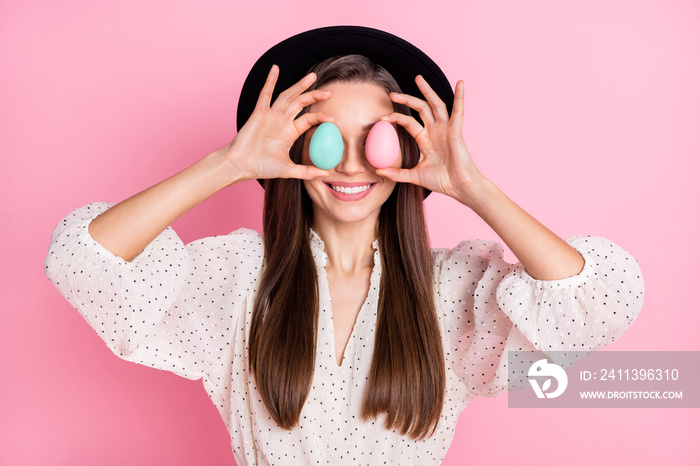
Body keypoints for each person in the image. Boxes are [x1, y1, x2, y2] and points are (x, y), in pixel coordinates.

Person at [44, 26, 644, 465]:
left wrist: (474, 188)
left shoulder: (452, 292)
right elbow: (84, 258)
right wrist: (228, 164)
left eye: (376, 138)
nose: (353, 164)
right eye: (327, 138)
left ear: (405, 149)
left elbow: (595, 302)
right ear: (297, 149)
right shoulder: (237, 278)